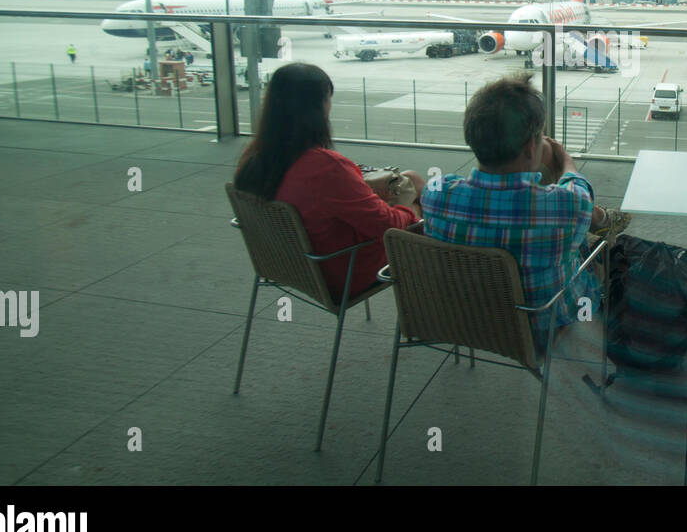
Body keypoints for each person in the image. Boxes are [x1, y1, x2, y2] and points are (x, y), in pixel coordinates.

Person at [421, 74, 623, 346]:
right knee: (595, 252)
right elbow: (577, 185)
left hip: (462, 320)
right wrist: (563, 158)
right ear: (531, 148)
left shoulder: (436, 195)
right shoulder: (566, 205)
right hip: (540, 329)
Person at [233, 62, 425, 302]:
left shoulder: (252, 158)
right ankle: (440, 307)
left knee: (411, 178)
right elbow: (387, 225)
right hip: (343, 271)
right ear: (319, 106)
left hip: (291, 264)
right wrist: (411, 211)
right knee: (421, 202)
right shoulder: (325, 167)